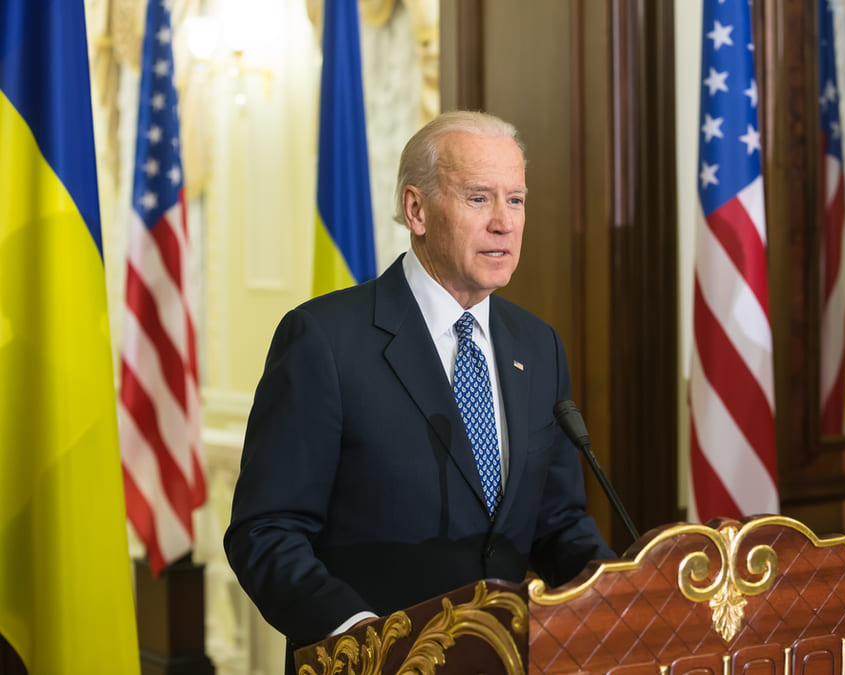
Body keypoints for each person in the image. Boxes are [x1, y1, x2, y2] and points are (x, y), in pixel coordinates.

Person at [224, 110, 616, 672]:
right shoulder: (324, 340)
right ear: (417, 210)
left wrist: (624, 601)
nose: (504, 222)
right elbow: (265, 532)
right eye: (480, 199)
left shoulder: (538, 344)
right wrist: (362, 638)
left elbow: (557, 525)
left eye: (517, 200)